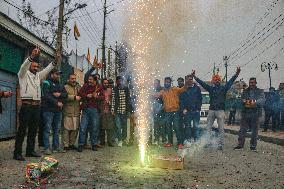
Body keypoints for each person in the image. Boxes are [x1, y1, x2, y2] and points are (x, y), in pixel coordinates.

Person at [14, 46, 58, 161]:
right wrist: (32, 56)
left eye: (37, 66)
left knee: (33, 130)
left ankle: (30, 151)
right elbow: (23, 66)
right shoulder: (22, 74)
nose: (36, 68)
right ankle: (17, 153)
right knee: (22, 130)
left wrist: (55, 61)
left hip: (37, 107)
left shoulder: (38, 76)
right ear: (29, 66)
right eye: (33, 66)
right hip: (26, 106)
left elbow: (47, 70)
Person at [191, 67, 241, 150]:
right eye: (215, 80)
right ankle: (207, 143)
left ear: (220, 81)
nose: (217, 81)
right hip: (211, 110)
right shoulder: (211, 89)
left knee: (221, 128)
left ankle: (221, 144)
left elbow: (230, 81)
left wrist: (236, 74)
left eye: (218, 80)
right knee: (208, 128)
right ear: (213, 81)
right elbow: (202, 83)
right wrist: (195, 77)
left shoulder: (224, 88)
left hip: (220, 110)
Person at [154, 77, 188, 148]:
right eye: (166, 82)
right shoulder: (163, 91)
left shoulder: (174, 89)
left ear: (170, 83)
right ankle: (170, 142)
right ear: (164, 82)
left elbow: (182, 89)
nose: (167, 83)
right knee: (168, 128)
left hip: (175, 112)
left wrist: (187, 83)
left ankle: (180, 143)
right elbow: (156, 95)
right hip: (167, 113)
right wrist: (145, 91)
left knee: (176, 127)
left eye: (168, 82)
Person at [234, 77, 265, 151]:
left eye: (253, 82)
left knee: (254, 130)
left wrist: (255, 102)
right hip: (245, 112)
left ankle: (253, 146)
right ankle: (240, 145)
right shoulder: (245, 91)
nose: (251, 84)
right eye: (250, 83)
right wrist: (243, 100)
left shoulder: (260, 91)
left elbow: (263, 99)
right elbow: (241, 99)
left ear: (255, 83)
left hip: (255, 113)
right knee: (242, 130)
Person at [42, 68, 67, 155]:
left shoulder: (60, 84)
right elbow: (46, 95)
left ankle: (56, 147)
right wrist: (57, 102)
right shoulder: (46, 82)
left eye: (59, 74)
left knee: (56, 130)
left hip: (58, 111)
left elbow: (65, 94)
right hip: (48, 110)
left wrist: (60, 94)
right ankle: (46, 148)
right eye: (56, 74)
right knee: (47, 129)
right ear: (51, 74)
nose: (58, 76)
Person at [78, 75, 104, 152]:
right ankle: (81, 144)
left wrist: (97, 97)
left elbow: (102, 97)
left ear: (95, 80)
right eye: (89, 79)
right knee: (83, 127)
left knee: (95, 127)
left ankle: (94, 144)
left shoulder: (99, 87)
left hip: (95, 110)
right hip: (86, 109)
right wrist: (86, 95)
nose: (89, 81)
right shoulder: (85, 86)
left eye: (91, 79)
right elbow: (79, 93)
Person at [179, 75, 202, 144]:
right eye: (188, 79)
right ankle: (188, 140)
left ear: (192, 80)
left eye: (191, 79)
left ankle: (196, 140)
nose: (189, 80)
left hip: (196, 111)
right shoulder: (183, 89)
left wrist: (198, 108)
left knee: (196, 127)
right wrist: (183, 109)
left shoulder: (197, 88)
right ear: (185, 80)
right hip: (187, 112)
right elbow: (181, 100)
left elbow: (200, 99)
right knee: (187, 127)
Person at [62, 73, 81, 151]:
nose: (73, 80)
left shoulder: (78, 87)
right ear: (68, 79)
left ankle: (72, 144)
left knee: (75, 129)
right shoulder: (65, 87)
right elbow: (63, 97)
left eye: (74, 78)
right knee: (66, 129)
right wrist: (73, 97)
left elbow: (82, 94)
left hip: (76, 111)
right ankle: (66, 145)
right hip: (67, 110)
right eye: (72, 79)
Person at [111, 76, 131, 147]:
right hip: (117, 112)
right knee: (118, 126)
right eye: (118, 81)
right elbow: (113, 100)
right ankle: (120, 140)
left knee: (124, 126)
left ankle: (124, 139)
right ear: (116, 82)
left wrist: (128, 111)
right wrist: (112, 110)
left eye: (121, 81)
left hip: (124, 111)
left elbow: (128, 100)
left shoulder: (126, 89)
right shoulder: (114, 89)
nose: (119, 82)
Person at [100, 78, 114, 147]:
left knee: (109, 127)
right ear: (102, 83)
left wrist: (110, 103)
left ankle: (110, 141)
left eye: (106, 83)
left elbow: (113, 99)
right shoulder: (100, 90)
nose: (106, 84)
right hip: (101, 110)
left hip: (108, 110)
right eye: (104, 83)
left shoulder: (110, 90)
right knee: (102, 127)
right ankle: (102, 142)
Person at [152, 79, 166, 145]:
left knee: (162, 125)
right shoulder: (152, 89)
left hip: (162, 111)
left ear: (159, 83)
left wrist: (163, 106)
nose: (155, 84)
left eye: (157, 83)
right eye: (154, 83)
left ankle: (163, 139)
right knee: (156, 126)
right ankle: (156, 139)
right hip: (155, 111)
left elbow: (162, 97)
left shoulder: (162, 89)